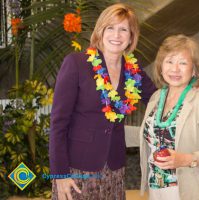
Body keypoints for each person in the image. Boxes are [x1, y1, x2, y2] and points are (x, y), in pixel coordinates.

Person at [49, 3, 156, 200]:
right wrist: (60, 174)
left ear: (131, 36)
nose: (117, 35)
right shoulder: (76, 63)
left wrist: (186, 91)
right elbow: (58, 122)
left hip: (114, 167)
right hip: (77, 166)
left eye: (123, 29)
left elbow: (157, 100)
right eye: (111, 28)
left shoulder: (133, 71)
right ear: (100, 31)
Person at [139, 34, 199, 200]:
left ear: (194, 69)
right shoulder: (156, 97)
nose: (175, 69)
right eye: (170, 61)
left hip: (189, 190)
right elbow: (153, 136)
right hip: (156, 188)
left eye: (183, 63)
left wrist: (185, 160)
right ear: (161, 66)